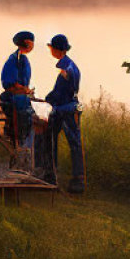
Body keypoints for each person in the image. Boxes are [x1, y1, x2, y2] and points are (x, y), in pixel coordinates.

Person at [45, 33, 84, 193]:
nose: (51, 51)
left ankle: (76, 181)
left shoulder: (67, 68)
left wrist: (50, 99)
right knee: (55, 140)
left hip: (66, 110)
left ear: (57, 50)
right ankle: (54, 176)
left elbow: (65, 91)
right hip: (63, 108)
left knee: (73, 144)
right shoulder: (67, 66)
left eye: (52, 48)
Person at [0, 31, 36, 164]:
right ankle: (21, 149)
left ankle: (27, 151)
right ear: (24, 43)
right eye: (30, 42)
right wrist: (23, 89)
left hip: (23, 96)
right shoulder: (14, 60)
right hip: (14, 97)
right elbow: (9, 83)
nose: (32, 45)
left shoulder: (24, 59)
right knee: (22, 120)